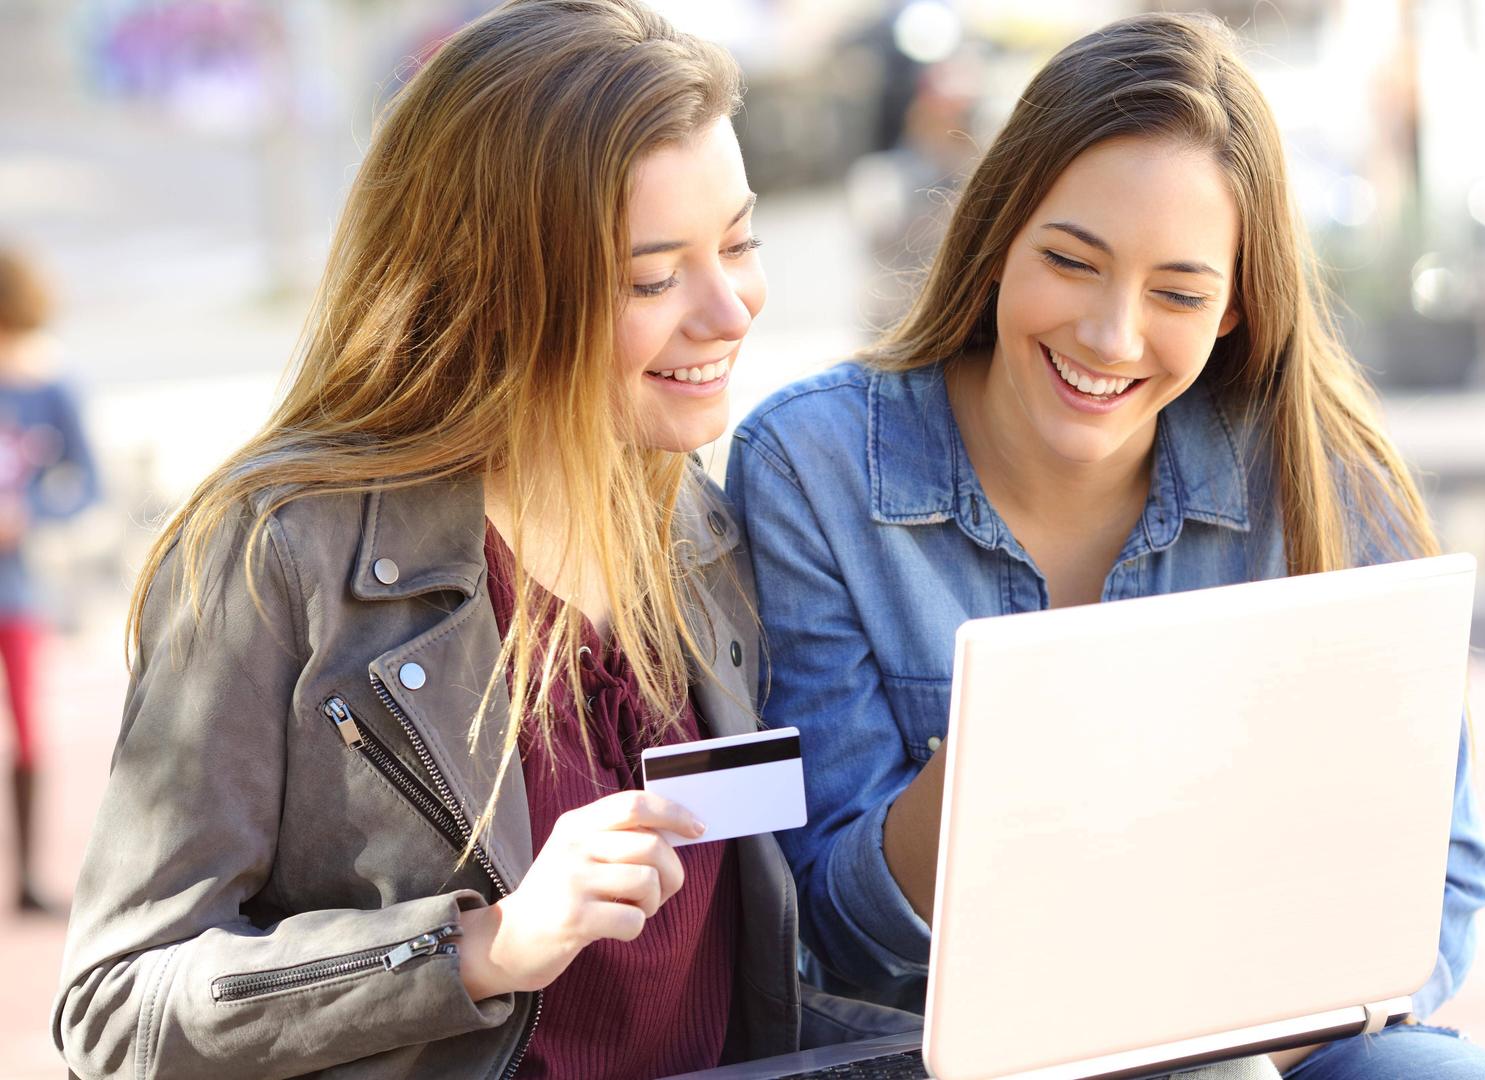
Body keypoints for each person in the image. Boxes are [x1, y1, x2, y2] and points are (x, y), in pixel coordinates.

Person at [55, 2, 907, 1076]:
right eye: (652, 278)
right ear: (494, 289)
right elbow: (115, 1008)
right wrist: (477, 948)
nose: (731, 309)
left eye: (740, 244)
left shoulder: (694, 521)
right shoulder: (280, 553)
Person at [727, 13, 1485, 1079]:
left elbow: (1440, 875)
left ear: (1235, 306)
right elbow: (831, 923)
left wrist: (1227, 1036)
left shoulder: (1317, 471)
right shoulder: (812, 465)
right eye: (1072, 261)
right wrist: (999, 770)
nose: (1112, 337)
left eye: (1179, 293)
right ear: (998, 237)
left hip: (1267, 1040)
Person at [0, 246, 100, 915]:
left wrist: (30, 511)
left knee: (31, 732)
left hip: (18, 588)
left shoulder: (52, 388)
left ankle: (28, 879)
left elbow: (88, 484)